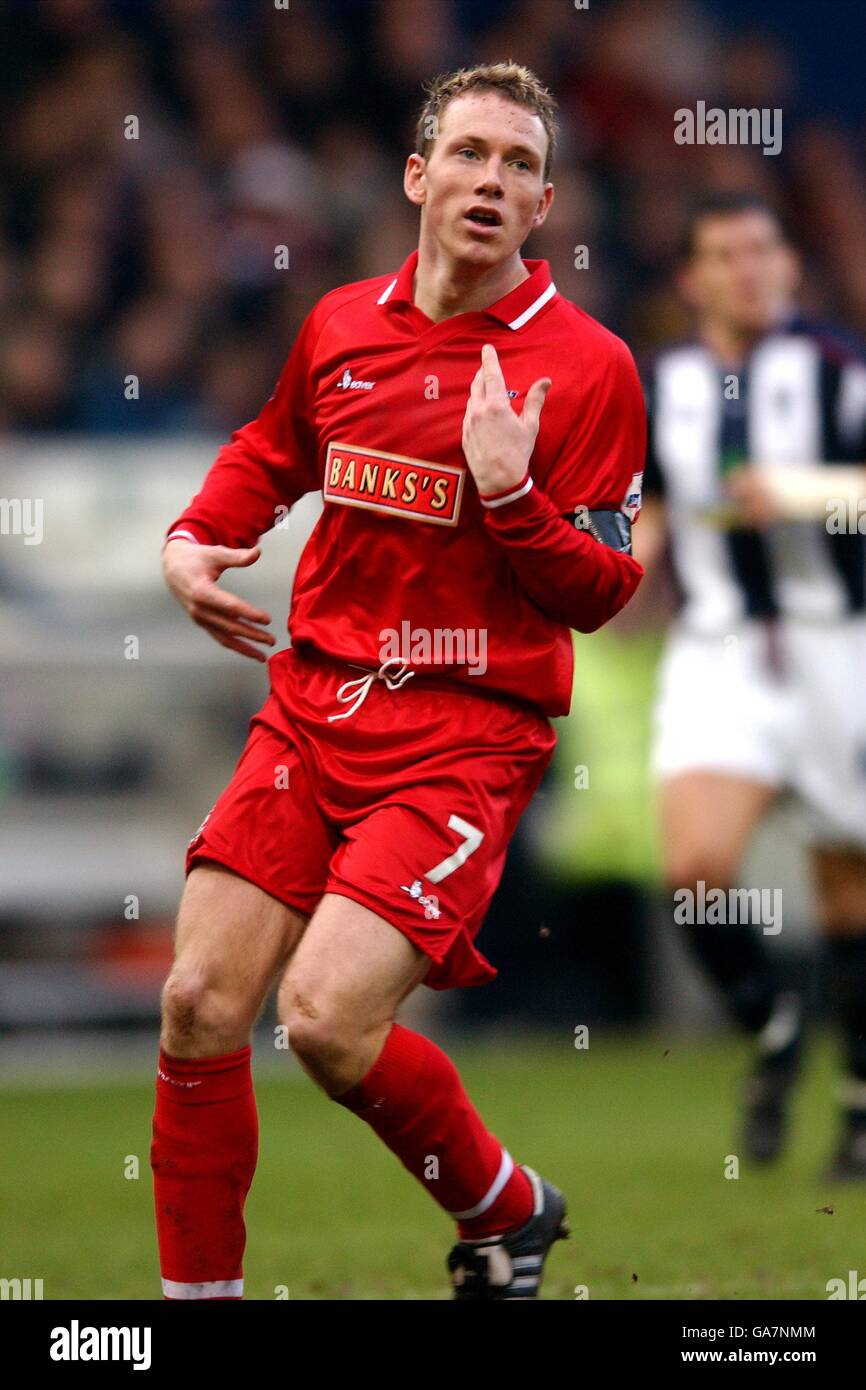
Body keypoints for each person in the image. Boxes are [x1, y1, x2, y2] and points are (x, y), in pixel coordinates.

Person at [153, 61, 645, 1301]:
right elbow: (273, 451)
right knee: (200, 1000)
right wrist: (190, 539)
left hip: (464, 736)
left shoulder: (587, 370)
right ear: (419, 177)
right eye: (471, 154)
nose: (493, 180)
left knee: (321, 1021)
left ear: (543, 206)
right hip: (311, 707)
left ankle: (503, 1205)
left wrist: (510, 495)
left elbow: (599, 588)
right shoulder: (338, 323)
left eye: (520, 165)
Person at [637, 192, 866, 1179]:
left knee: (847, 893)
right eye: (725, 253)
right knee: (692, 871)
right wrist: (623, 559)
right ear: (691, 280)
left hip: (833, 643)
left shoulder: (832, 370)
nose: (750, 268)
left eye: (764, 249)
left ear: (787, 266)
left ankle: (856, 1107)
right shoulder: (663, 384)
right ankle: (771, 1020)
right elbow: (645, 500)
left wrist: (808, 494)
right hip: (718, 647)